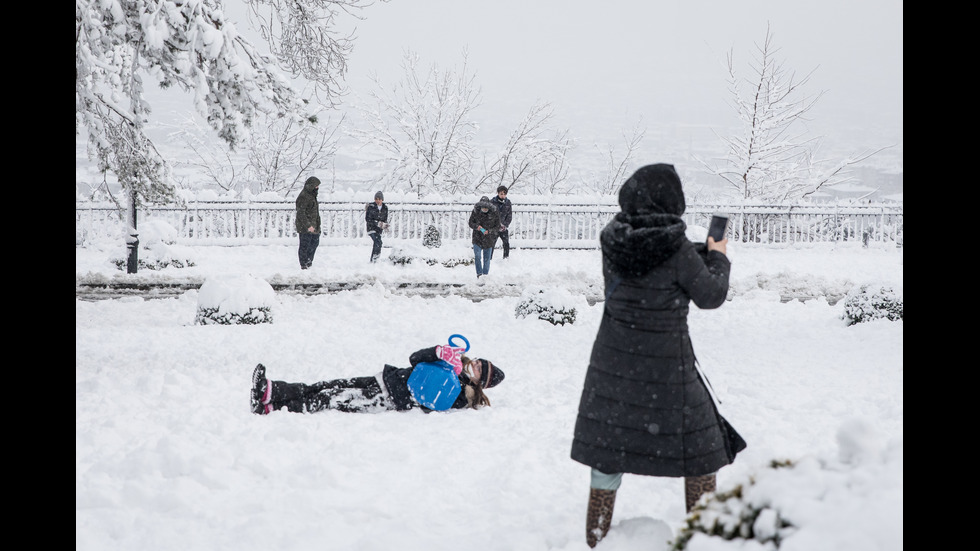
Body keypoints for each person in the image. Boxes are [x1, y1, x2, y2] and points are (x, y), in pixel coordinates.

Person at [569, 163, 746, 548]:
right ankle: (702, 538)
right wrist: (716, 256)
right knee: (702, 450)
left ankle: (597, 538)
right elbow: (710, 295)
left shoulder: (612, 240)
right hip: (669, 369)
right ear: (673, 202)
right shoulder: (680, 252)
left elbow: (647, 260)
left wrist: (696, 255)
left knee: (607, 451)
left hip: (613, 365)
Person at [249, 345, 505, 414]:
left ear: (481, 383)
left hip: (389, 398)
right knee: (326, 385)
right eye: (480, 362)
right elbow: (415, 358)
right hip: (387, 378)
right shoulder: (453, 362)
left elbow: (430, 402)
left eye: (481, 370)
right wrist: (437, 352)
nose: (476, 365)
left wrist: (458, 381)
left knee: (329, 399)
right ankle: (271, 390)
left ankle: (271, 408)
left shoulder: (464, 397)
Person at [468, 196, 500, 279]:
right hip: (477, 237)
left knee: (487, 259)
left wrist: (489, 231)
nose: (485, 209)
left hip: (489, 239)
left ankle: (485, 276)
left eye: (486, 208)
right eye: (483, 207)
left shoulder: (494, 213)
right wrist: (477, 227)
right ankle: (479, 274)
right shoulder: (475, 212)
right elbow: (471, 222)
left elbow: (497, 226)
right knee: (477, 256)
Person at [294, 176, 321, 269]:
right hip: (305, 227)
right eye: (316, 186)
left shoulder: (312, 196)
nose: (317, 188)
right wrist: (308, 225)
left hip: (314, 226)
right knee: (305, 245)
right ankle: (304, 263)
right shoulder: (304, 196)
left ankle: (309, 261)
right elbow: (301, 213)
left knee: (314, 243)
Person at [490, 185, 513, 259]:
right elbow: (489, 215)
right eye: (501, 194)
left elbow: (509, 216)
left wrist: (505, 225)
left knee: (506, 243)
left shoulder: (508, 203)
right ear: (498, 193)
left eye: (504, 194)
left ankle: (506, 258)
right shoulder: (492, 202)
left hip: (503, 227)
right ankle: (489, 258)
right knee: (491, 244)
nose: (503, 196)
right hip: (494, 227)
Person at [365, 191, 389, 262]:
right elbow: (368, 219)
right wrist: (377, 223)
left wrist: (385, 225)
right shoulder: (371, 207)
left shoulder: (385, 208)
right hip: (371, 228)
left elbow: (385, 219)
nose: (377, 201)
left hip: (379, 229)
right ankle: (375, 259)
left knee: (378, 242)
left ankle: (374, 259)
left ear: (382, 199)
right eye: (376, 199)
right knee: (378, 242)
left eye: (379, 199)